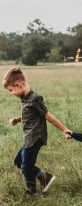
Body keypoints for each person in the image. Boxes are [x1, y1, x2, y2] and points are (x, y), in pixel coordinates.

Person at [3, 67, 71, 196]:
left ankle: (32, 191)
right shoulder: (25, 98)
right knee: (18, 161)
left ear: (18, 85)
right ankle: (44, 177)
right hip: (28, 137)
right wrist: (17, 119)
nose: (11, 93)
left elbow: (48, 116)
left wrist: (64, 129)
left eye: (11, 90)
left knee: (26, 166)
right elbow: (30, 114)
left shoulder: (35, 98)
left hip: (35, 137)